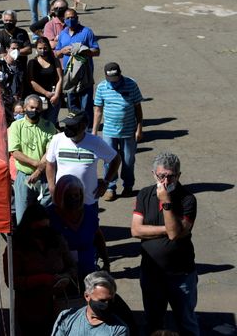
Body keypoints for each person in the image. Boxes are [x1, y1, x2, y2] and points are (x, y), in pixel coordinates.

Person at [131, 152, 199, 336]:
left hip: (181, 274)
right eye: (161, 176)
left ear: (178, 175)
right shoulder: (145, 194)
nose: (166, 181)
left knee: (186, 322)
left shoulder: (187, 199)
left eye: (170, 176)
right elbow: (136, 230)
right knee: (153, 323)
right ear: (154, 174)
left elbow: (176, 233)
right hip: (151, 273)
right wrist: (167, 229)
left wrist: (166, 202)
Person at [5, 204, 77, 336]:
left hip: (60, 305)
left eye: (45, 227)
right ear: (28, 227)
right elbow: (12, 281)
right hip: (31, 310)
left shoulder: (57, 239)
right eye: (38, 228)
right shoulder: (16, 247)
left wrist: (66, 276)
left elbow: (72, 266)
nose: (43, 232)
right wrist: (42, 279)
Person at [46, 110, 122, 208]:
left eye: (72, 126)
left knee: (89, 223)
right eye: (67, 125)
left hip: (88, 201)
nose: (67, 128)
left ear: (83, 127)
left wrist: (106, 182)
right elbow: (50, 163)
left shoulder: (95, 142)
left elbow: (116, 159)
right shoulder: (57, 139)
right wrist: (52, 186)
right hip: (62, 199)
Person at [92, 62, 144, 201]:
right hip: (109, 131)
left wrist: (139, 128)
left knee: (128, 160)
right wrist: (94, 131)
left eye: (116, 78)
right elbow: (98, 110)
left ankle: (128, 186)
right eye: (111, 79)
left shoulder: (131, 84)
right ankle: (110, 187)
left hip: (128, 131)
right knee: (109, 160)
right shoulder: (102, 87)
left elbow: (138, 107)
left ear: (120, 73)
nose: (114, 82)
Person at [48, 175, 109, 281]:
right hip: (61, 275)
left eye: (77, 195)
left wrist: (106, 263)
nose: (74, 199)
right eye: (69, 196)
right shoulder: (49, 215)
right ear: (60, 195)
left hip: (88, 272)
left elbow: (98, 237)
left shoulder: (89, 213)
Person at [8, 94, 57, 223]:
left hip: (44, 177)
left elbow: (50, 152)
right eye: (32, 107)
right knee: (22, 218)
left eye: (38, 108)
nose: (34, 111)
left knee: (46, 216)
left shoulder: (48, 126)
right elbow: (15, 152)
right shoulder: (16, 126)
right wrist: (36, 164)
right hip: (24, 177)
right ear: (25, 107)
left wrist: (38, 171)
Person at [55, 8, 100, 121]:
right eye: (68, 18)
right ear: (64, 20)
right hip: (69, 75)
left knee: (86, 104)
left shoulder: (86, 32)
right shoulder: (62, 34)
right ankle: (75, 126)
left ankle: (87, 128)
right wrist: (62, 51)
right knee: (72, 104)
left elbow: (97, 51)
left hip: (84, 74)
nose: (71, 20)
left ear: (77, 18)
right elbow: (56, 53)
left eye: (73, 17)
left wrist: (84, 50)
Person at [51, 271, 129, 335]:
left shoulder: (119, 329)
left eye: (110, 300)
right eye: (102, 300)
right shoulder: (67, 318)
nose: (107, 304)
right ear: (87, 296)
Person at [27, 36, 63, 125]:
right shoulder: (32, 63)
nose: (43, 50)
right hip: (38, 99)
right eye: (40, 48)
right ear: (36, 48)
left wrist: (56, 96)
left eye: (45, 48)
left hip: (53, 98)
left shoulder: (55, 61)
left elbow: (60, 78)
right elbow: (32, 82)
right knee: (38, 123)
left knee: (51, 124)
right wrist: (46, 93)